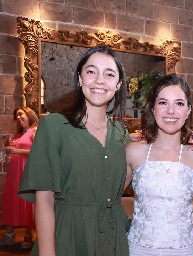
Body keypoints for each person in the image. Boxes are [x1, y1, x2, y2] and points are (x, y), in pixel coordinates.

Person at [18, 46, 133, 256]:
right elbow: (44, 199)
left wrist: (187, 139)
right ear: (80, 78)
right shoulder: (53, 126)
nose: (99, 80)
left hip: (113, 238)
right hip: (68, 237)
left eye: (109, 74)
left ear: (118, 85)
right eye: (91, 71)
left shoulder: (121, 133)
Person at [125, 73, 193, 255]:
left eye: (179, 103)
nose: (171, 111)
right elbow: (106, 197)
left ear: (188, 110)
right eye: (163, 102)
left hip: (185, 250)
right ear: (153, 109)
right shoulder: (133, 151)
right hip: (139, 250)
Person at [0, 107, 38, 249]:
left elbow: (39, 152)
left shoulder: (35, 131)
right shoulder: (16, 135)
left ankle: (29, 235)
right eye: (16, 116)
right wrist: (5, 148)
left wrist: (16, 150)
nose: (19, 118)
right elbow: (6, 157)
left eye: (21, 114)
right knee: (11, 202)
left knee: (28, 203)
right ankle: (9, 235)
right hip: (13, 174)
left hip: (27, 172)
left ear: (29, 115)